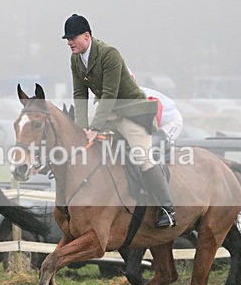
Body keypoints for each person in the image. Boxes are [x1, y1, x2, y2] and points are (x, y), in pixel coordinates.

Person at [63, 14, 177, 228]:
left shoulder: (109, 54)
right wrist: (82, 127)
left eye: (72, 38)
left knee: (142, 158)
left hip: (132, 113)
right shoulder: (75, 59)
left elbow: (109, 94)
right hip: (109, 115)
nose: (69, 42)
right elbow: (79, 94)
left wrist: (95, 127)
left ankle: (167, 209)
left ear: (87, 36)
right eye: (67, 39)